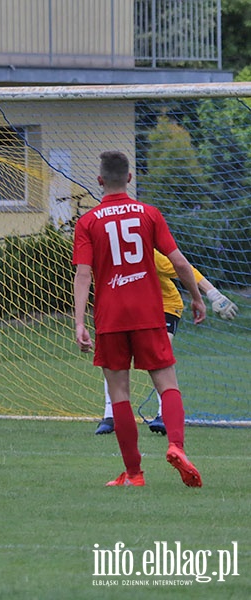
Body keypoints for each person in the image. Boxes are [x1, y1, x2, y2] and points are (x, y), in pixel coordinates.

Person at [73, 150, 205, 488]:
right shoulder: (148, 214)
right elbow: (178, 262)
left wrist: (78, 322)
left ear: (100, 180)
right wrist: (195, 296)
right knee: (167, 383)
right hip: (149, 312)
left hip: (111, 317)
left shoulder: (88, 222)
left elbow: (84, 274)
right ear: (129, 179)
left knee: (119, 394)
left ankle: (133, 474)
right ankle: (176, 445)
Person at [94, 250, 239, 435]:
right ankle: (110, 416)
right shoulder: (101, 255)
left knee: (159, 352)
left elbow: (184, 267)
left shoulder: (145, 252)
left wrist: (214, 295)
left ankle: (164, 415)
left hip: (164, 305)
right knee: (113, 358)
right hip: (130, 308)